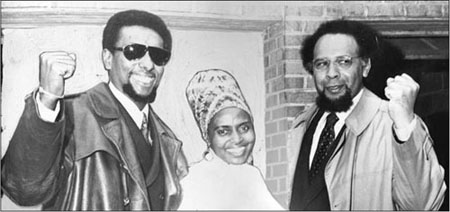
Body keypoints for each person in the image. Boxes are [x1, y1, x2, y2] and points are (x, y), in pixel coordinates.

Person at [1, 10, 188, 210]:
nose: (149, 64)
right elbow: (23, 190)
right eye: (134, 52)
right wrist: (48, 99)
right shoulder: (72, 115)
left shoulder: (167, 139)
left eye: (158, 56)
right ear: (107, 59)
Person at [287, 20, 447, 210]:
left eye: (344, 61)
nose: (331, 73)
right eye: (322, 63)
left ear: (365, 67)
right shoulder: (301, 126)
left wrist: (404, 125)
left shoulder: (395, 125)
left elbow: (423, 206)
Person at [179, 69, 284, 210]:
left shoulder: (251, 176)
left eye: (244, 128)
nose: (237, 139)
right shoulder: (191, 182)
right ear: (207, 136)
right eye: (223, 131)